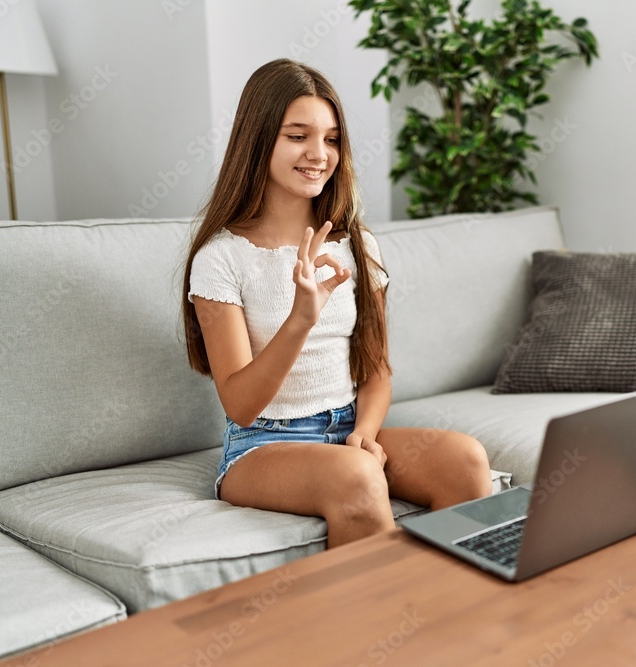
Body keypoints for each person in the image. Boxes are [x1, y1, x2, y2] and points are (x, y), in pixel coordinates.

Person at [181, 59, 492, 549]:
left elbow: (376, 370)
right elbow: (240, 406)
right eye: (297, 136)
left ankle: (456, 612)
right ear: (258, 141)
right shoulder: (221, 259)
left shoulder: (357, 245)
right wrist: (300, 319)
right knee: (358, 477)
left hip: (347, 429)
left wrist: (366, 434)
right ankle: (392, 622)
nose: (318, 154)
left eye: (330, 139)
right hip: (261, 445)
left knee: (466, 459)